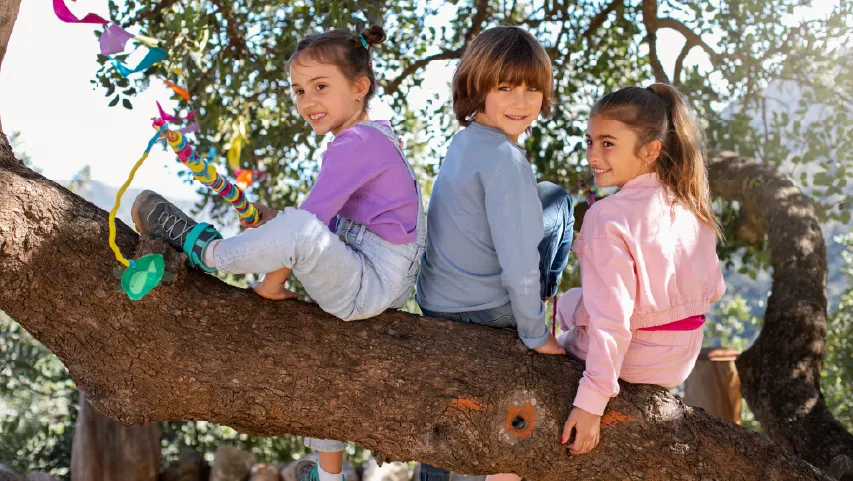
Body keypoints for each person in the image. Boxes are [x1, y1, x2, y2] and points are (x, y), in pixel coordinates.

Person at [130, 26, 425, 481]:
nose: (308, 102)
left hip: (371, 281)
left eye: (321, 87)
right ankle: (329, 477)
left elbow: (310, 226)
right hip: (369, 271)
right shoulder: (371, 137)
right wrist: (273, 221)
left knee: (298, 228)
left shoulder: (357, 144)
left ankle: (207, 250)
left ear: (359, 87)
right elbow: (317, 222)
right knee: (330, 358)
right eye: (299, 90)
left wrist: (272, 282)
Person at [414, 26, 574, 481]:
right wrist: (535, 333)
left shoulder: (463, 142)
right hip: (485, 310)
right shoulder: (507, 161)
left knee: (553, 197)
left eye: (532, 89)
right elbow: (521, 259)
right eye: (506, 87)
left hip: (439, 299)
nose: (522, 101)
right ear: (477, 88)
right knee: (558, 202)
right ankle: (534, 310)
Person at [557, 83, 726, 458]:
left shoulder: (608, 216)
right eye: (589, 142)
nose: (593, 155)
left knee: (556, 316)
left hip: (635, 358)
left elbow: (612, 322)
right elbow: (714, 291)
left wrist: (590, 403)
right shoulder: (692, 208)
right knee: (568, 303)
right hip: (679, 359)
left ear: (650, 150)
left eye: (607, 143)